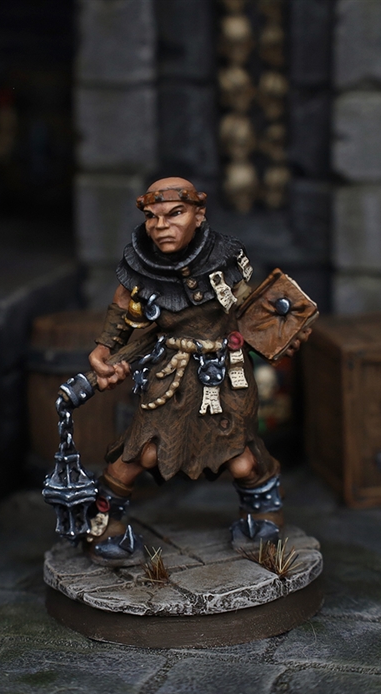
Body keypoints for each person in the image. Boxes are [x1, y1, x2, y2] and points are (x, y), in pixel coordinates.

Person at [86, 177, 310, 566]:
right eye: (152, 217)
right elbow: (122, 309)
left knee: (241, 460)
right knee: (141, 454)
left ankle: (263, 513)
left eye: (175, 214)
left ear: (199, 214)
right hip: (169, 375)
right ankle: (105, 523)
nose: (161, 226)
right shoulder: (140, 262)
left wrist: (281, 328)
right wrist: (105, 350)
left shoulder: (226, 257)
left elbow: (250, 308)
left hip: (224, 374)